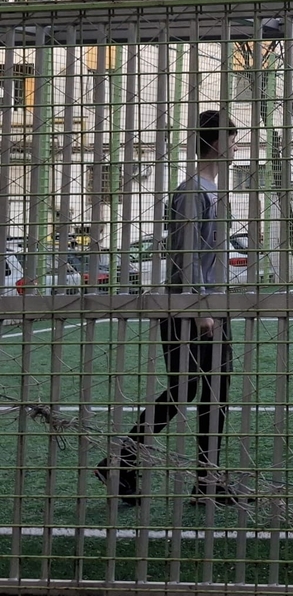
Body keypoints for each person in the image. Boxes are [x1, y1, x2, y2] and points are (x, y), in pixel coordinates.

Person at [97, 109, 239, 505]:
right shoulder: (192, 192)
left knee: (211, 389)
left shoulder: (209, 190)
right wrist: (199, 308)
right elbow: (185, 254)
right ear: (216, 143)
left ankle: (204, 479)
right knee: (188, 389)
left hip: (209, 305)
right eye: (232, 140)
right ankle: (123, 461)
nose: (235, 147)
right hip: (192, 309)